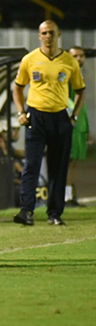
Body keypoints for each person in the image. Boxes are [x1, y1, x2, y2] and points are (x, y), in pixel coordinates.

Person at [12, 21, 85, 226]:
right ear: (39, 36)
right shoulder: (30, 59)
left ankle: (54, 213)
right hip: (36, 116)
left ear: (58, 34)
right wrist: (21, 112)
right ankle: (26, 211)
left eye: (51, 33)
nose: (48, 36)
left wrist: (74, 117)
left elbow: (80, 91)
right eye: (44, 33)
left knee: (58, 167)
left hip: (60, 117)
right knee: (31, 165)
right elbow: (17, 88)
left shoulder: (69, 61)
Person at [65, 46, 92, 206]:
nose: (79, 58)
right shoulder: (66, 75)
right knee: (67, 161)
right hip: (71, 124)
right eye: (75, 55)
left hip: (79, 125)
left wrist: (86, 128)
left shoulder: (79, 75)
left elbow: (82, 105)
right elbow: (66, 100)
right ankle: (64, 197)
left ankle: (68, 195)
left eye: (81, 56)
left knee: (73, 162)